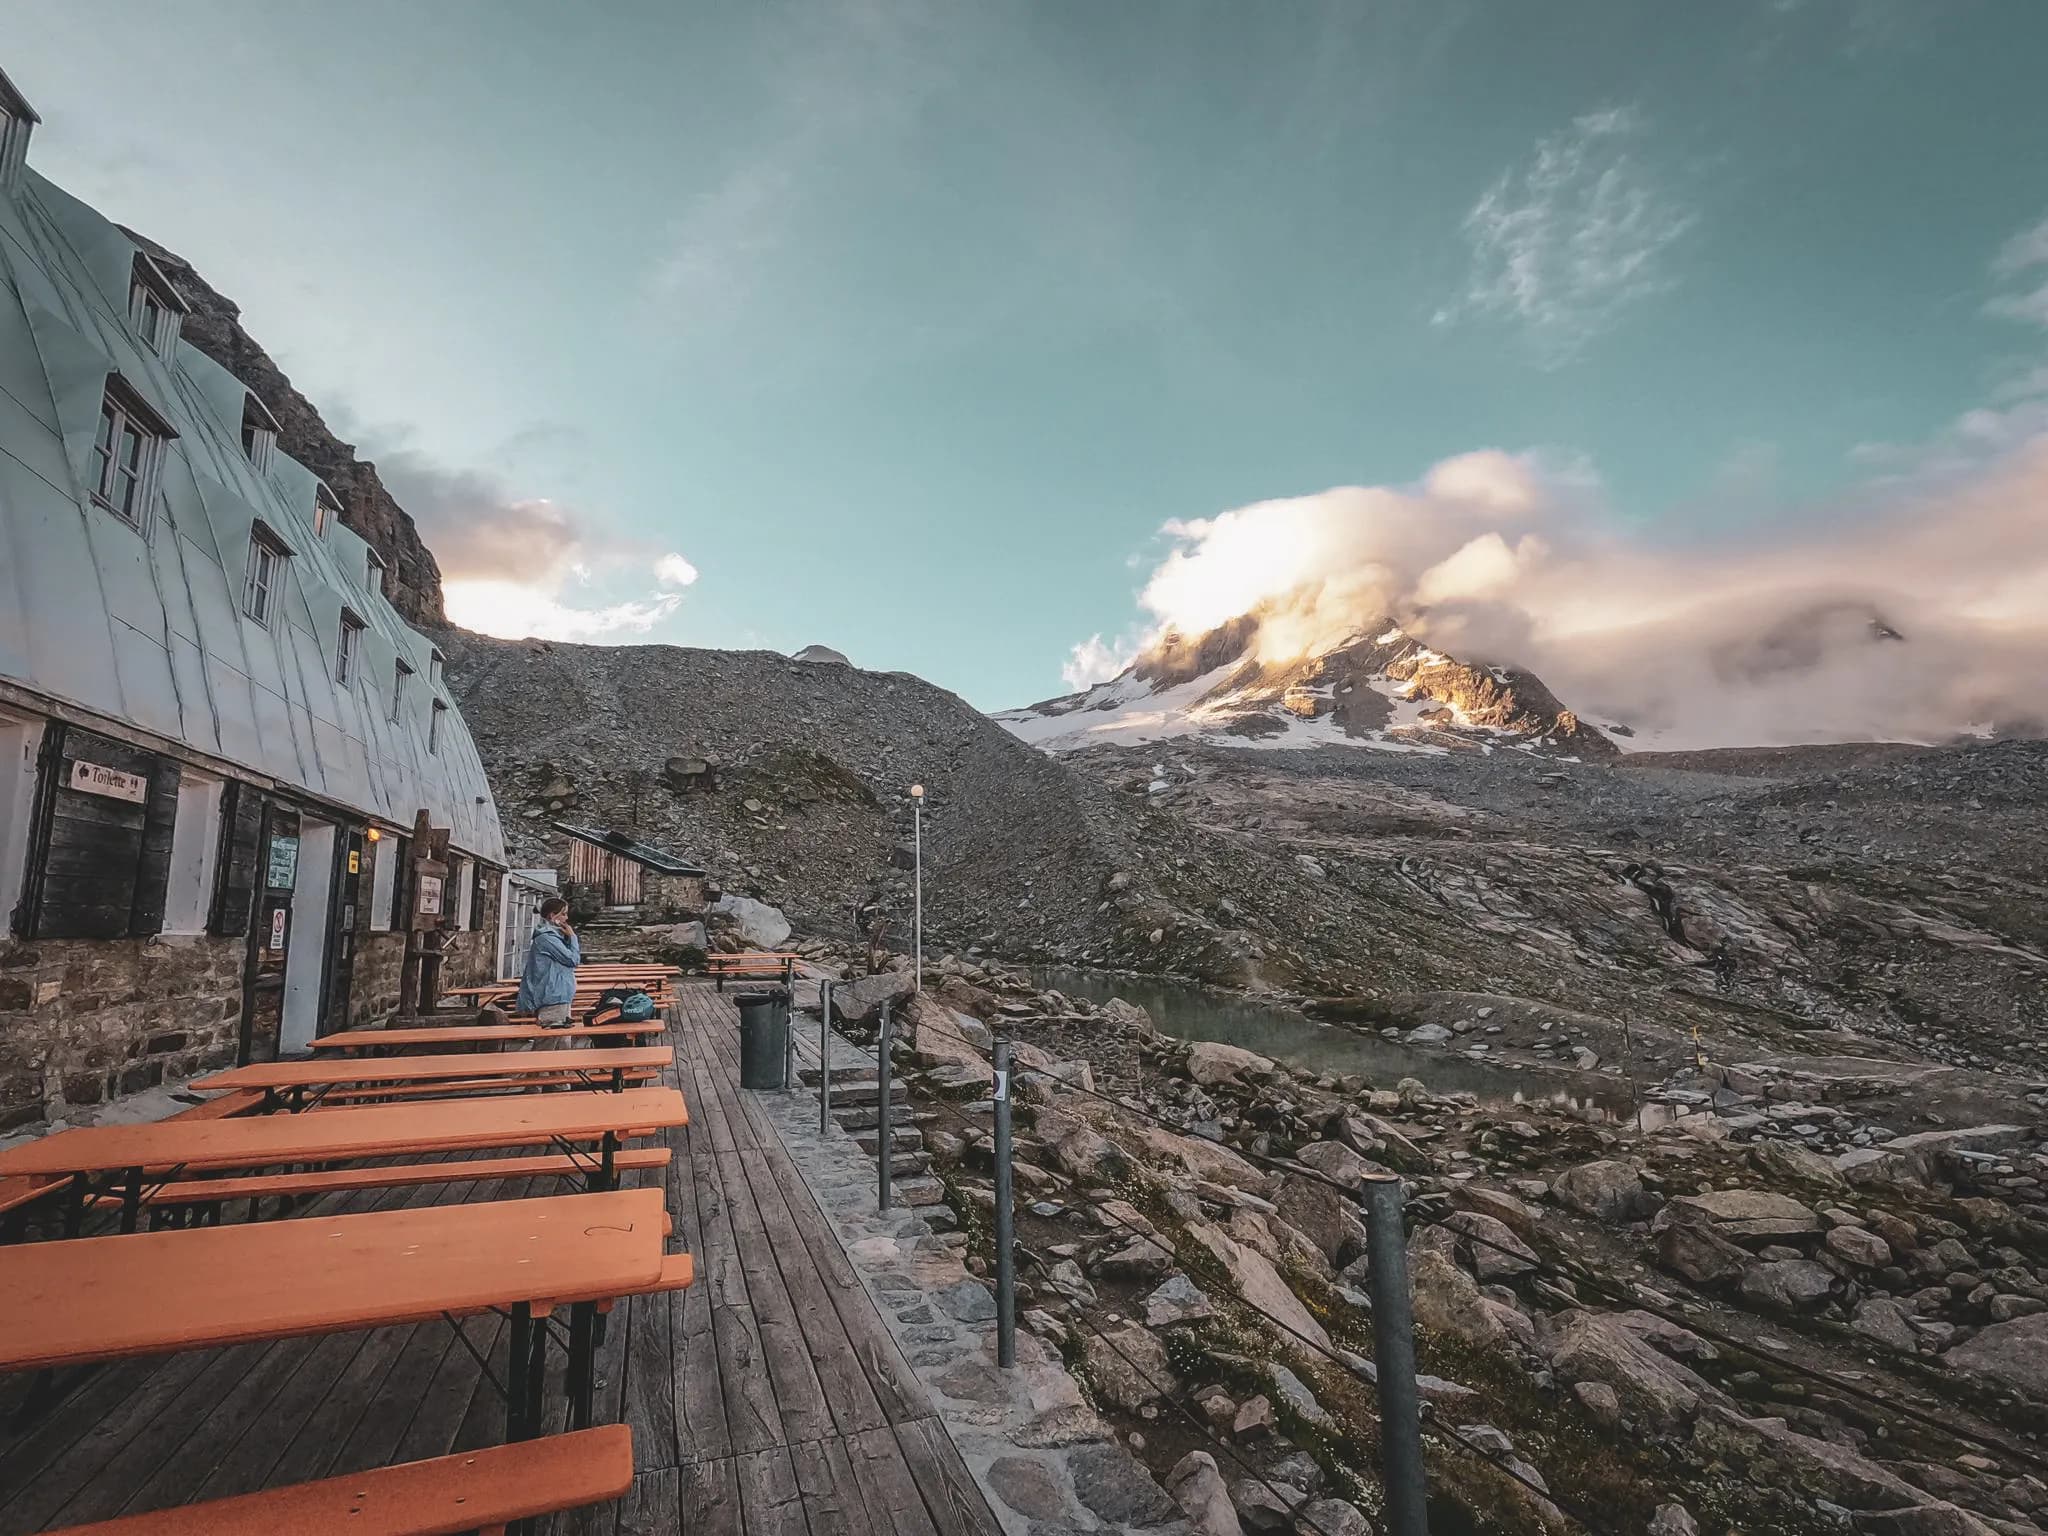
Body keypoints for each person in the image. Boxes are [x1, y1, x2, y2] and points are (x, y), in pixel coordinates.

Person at [517, 896, 581, 1046]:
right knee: (546, 1045)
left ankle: (558, 1071)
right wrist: (572, 937)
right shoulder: (547, 938)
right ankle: (536, 1070)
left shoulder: (554, 937)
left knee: (562, 1046)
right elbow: (572, 960)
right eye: (563, 913)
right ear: (553, 916)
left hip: (559, 996)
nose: (567, 917)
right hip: (552, 997)